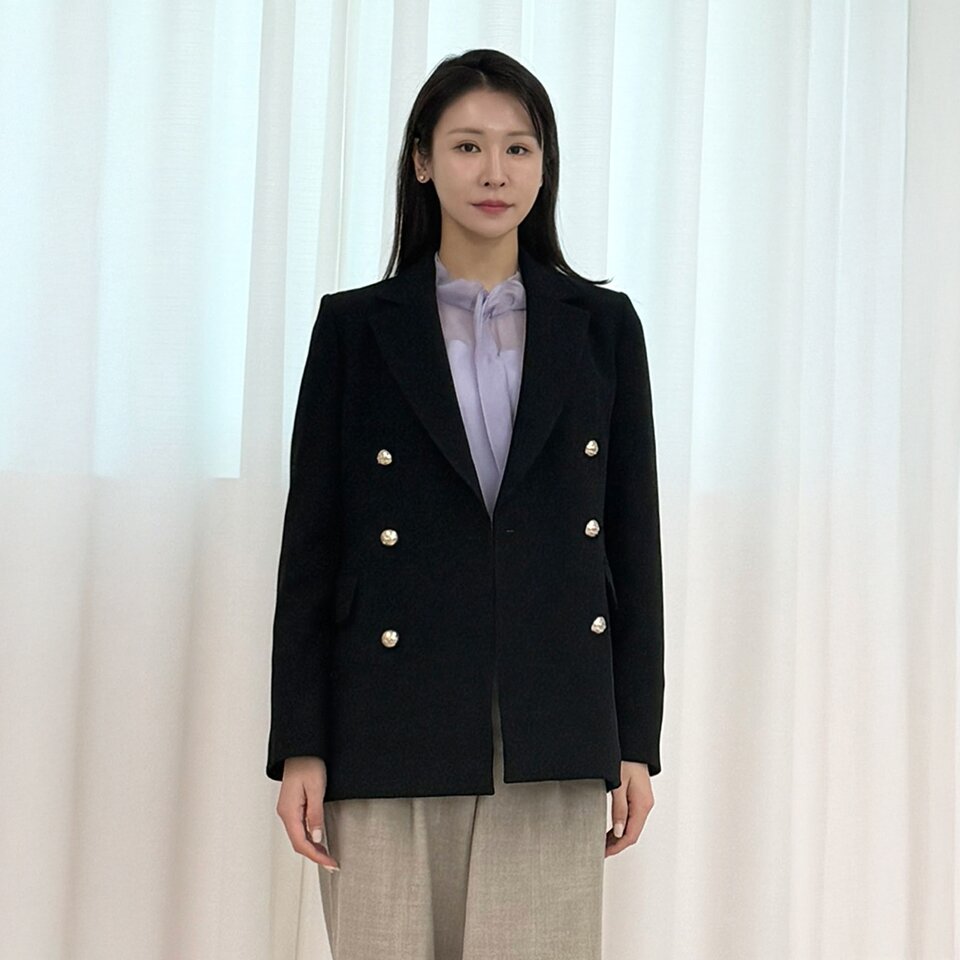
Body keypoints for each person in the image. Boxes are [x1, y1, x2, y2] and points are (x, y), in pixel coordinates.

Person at [267, 48, 664, 959]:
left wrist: (634, 739)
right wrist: (301, 744)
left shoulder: (603, 329)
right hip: (386, 718)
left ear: (544, 165)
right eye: (468, 146)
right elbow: (312, 550)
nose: (495, 172)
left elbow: (631, 545)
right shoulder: (354, 329)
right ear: (422, 160)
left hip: (553, 719)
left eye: (519, 148)